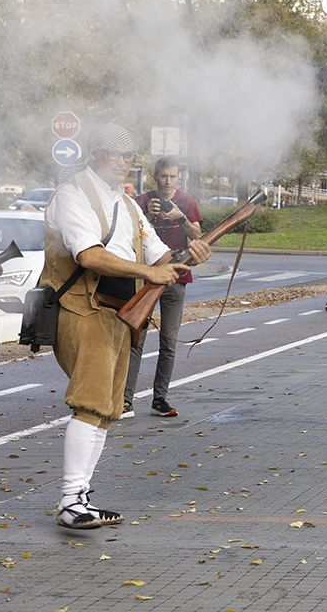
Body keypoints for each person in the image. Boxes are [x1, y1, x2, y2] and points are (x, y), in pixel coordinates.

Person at [42, 124, 210, 529]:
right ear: (95, 155)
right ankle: (70, 501)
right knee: (90, 404)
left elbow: (162, 255)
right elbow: (89, 256)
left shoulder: (128, 204)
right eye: (117, 155)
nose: (124, 163)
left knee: (106, 410)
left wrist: (194, 252)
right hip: (83, 308)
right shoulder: (73, 195)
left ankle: (80, 496)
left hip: (119, 312)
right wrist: (150, 274)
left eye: (129, 157)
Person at [123, 157, 204, 418]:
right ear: (155, 177)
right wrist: (148, 215)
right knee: (136, 339)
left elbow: (198, 237)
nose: (168, 182)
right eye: (163, 177)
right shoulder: (141, 202)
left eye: (172, 177)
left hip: (177, 277)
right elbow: (127, 234)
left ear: (178, 178)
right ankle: (125, 399)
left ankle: (160, 398)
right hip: (144, 278)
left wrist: (179, 217)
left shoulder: (187, 202)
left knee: (169, 341)